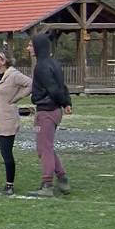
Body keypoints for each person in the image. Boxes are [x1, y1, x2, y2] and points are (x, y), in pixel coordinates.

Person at [26, 33, 73, 197]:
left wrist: (61, 101)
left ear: (38, 47)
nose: (28, 48)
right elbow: (63, 86)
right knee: (46, 147)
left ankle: (47, 185)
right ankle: (62, 178)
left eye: (30, 45)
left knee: (44, 148)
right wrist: (67, 103)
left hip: (46, 111)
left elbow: (53, 88)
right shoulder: (54, 63)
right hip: (54, 111)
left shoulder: (42, 67)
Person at [0, 49, 32, 196]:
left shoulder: (14, 75)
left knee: (6, 153)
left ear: (3, 61)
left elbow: (30, 84)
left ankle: (10, 185)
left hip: (7, 119)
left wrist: (17, 98)